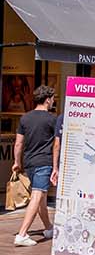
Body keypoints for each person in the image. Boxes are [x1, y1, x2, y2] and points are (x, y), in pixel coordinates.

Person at [11, 85, 57, 246]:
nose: (53, 102)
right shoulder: (52, 119)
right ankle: (22, 234)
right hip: (44, 162)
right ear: (47, 100)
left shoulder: (25, 118)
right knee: (37, 196)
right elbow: (56, 144)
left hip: (29, 163)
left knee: (41, 198)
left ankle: (49, 228)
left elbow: (18, 144)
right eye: (52, 99)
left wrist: (17, 162)